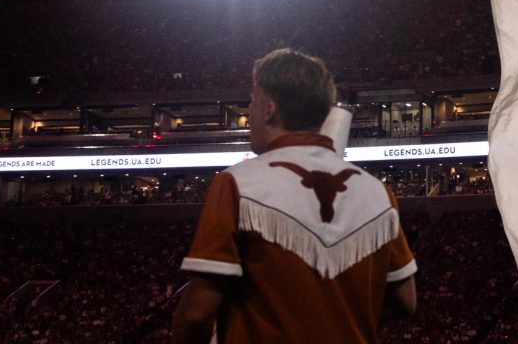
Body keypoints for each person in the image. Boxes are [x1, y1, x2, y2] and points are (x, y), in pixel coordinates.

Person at [172, 48, 416, 343]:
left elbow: (197, 314)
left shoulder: (237, 184)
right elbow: (406, 300)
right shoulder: (379, 192)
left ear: (269, 108)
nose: (249, 110)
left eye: (252, 99)